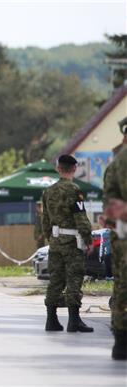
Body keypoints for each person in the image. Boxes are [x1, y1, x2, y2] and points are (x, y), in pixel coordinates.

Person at [41, 154, 93, 333]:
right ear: (74, 169)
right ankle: (74, 320)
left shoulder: (48, 192)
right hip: (72, 242)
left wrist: (51, 237)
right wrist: (88, 239)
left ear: (58, 169)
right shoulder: (74, 189)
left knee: (55, 279)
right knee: (74, 278)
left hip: (55, 242)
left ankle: (51, 320)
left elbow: (45, 220)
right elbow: (81, 218)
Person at [102, 126, 127, 360]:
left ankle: (120, 340)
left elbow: (108, 203)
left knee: (121, 285)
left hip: (121, 233)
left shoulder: (115, 163)